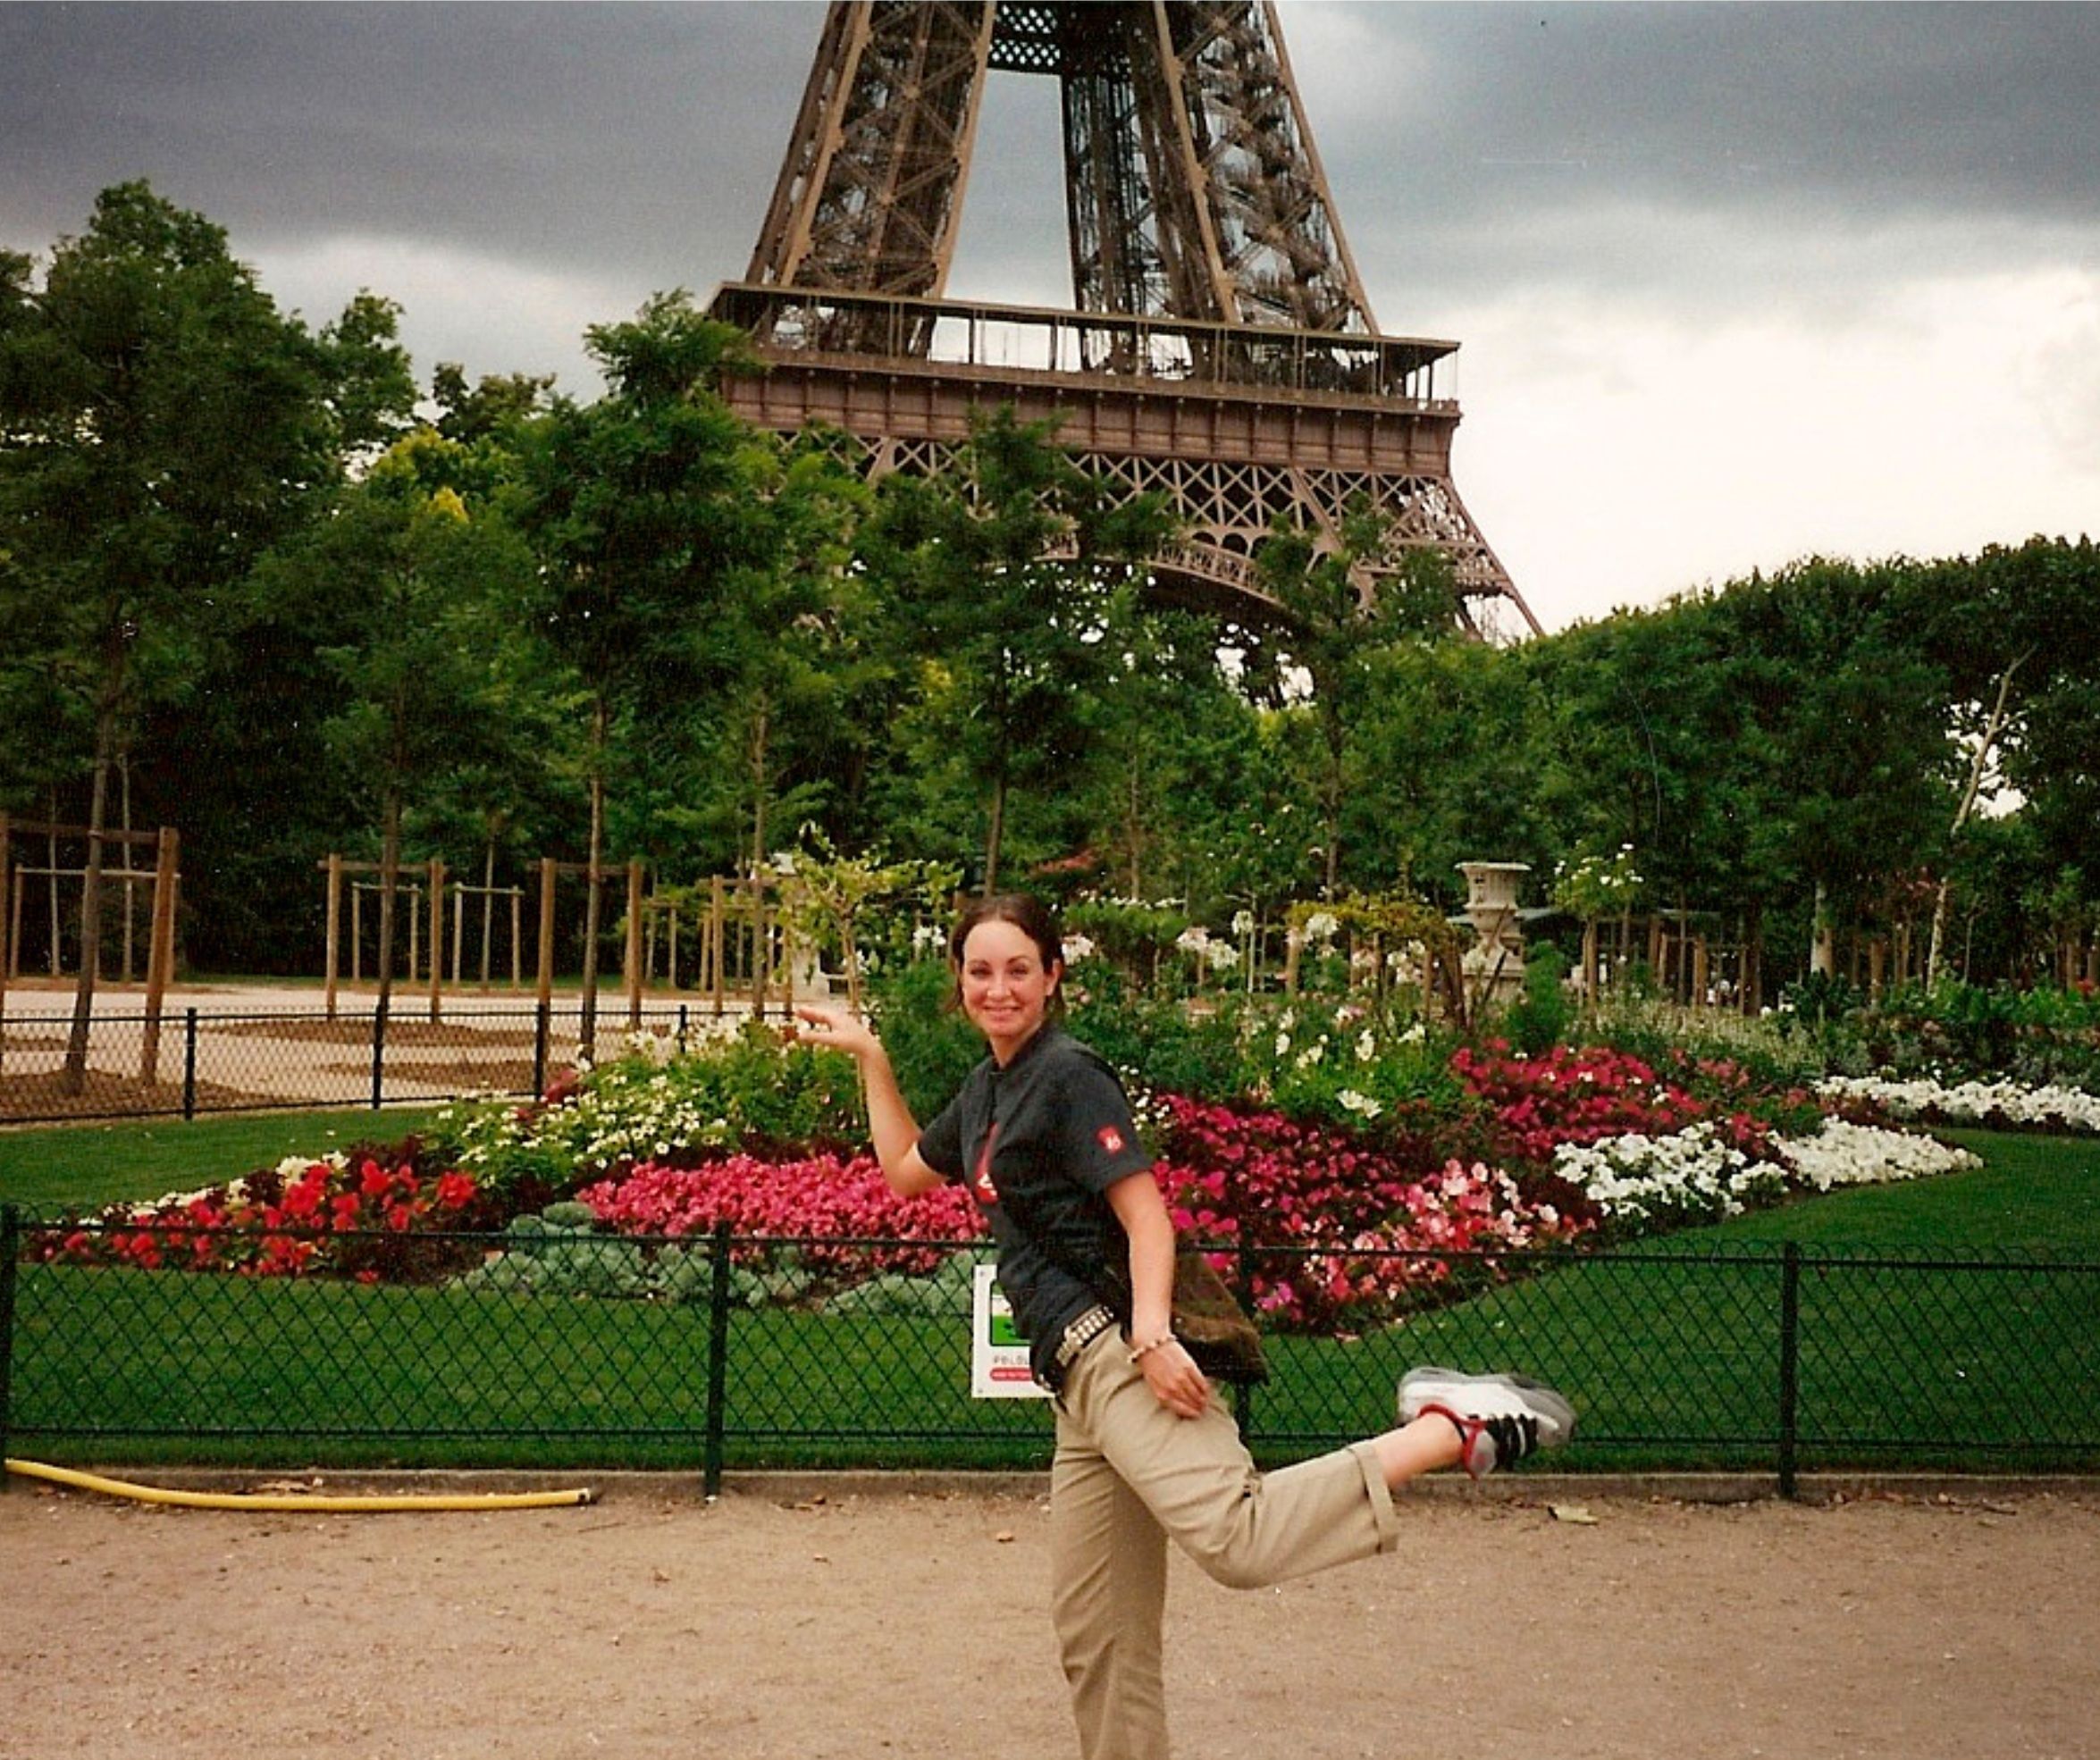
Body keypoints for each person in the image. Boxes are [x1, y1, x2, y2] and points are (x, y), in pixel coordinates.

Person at [793, 892, 1574, 1760]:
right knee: (1099, 1632)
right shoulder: (988, 1089)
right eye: (981, 969)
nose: (999, 987)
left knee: (1235, 1536)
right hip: (1076, 1390)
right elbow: (905, 1173)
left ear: (1053, 975)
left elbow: (1148, 1217)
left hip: (1115, 1348)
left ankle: (1448, 1424)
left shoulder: (1067, 1074)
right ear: (960, 980)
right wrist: (870, 1055)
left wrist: (1153, 1335)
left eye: (1019, 968)